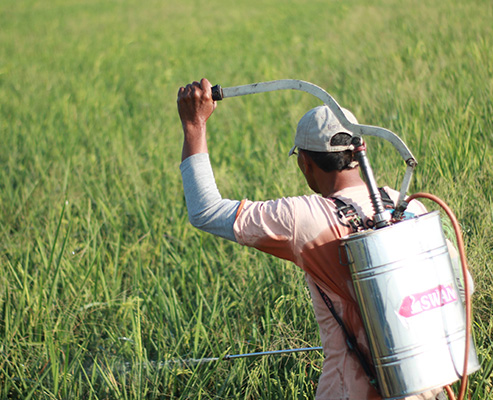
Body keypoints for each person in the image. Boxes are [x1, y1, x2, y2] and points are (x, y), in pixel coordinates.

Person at [177, 78, 445, 400]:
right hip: (430, 385)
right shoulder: (409, 205)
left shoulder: (303, 217)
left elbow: (205, 211)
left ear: (305, 161)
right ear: (358, 153)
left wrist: (194, 126)